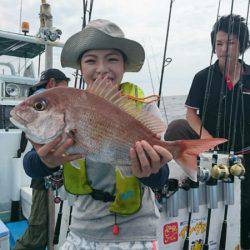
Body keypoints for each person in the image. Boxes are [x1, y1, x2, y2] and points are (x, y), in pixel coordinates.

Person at [23, 19, 172, 249]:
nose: (101, 68)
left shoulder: (143, 108)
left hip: (136, 231)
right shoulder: (65, 108)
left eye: (112, 59)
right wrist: (45, 161)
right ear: (81, 68)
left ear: (124, 65)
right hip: (82, 228)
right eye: (91, 60)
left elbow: (161, 176)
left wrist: (148, 171)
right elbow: (31, 166)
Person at [164, 14, 250, 249]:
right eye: (219, 43)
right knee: (174, 129)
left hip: (245, 152)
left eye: (230, 43)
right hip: (213, 151)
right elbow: (191, 114)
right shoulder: (202, 77)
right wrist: (207, 139)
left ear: (242, 44)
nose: (223, 49)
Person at [14, 69, 70, 250]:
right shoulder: (43, 102)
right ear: (52, 84)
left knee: (42, 226)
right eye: (64, 89)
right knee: (37, 229)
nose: (66, 94)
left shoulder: (34, 102)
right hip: (44, 177)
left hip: (45, 172)